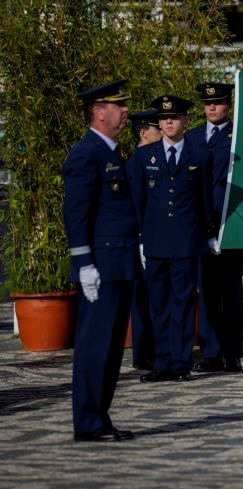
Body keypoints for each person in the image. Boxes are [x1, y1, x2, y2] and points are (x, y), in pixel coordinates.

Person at [64, 79, 138, 442]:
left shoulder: (109, 151)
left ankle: (99, 415)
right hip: (101, 267)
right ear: (99, 112)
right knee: (96, 345)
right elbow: (76, 214)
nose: (125, 111)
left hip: (119, 262)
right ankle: (87, 421)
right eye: (118, 105)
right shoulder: (86, 154)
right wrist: (85, 263)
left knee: (110, 349)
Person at [128, 95, 216, 383]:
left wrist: (210, 233)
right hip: (154, 241)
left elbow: (204, 200)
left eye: (174, 118)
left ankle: (180, 362)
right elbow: (138, 201)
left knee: (183, 302)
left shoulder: (199, 155)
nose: (168, 122)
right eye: (164, 118)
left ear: (184, 121)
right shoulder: (144, 156)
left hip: (187, 240)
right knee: (158, 304)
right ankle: (161, 361)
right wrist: (140, 239)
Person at [188, 82, 243, 373]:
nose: (212, 107)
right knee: (207, 290)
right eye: (207, 103)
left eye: (218, 102)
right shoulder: (193, 136)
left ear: (228, 105)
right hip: (202, 224)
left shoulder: (240, 136)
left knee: (232, 290)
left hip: (230, 223)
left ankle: (233, 353)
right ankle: (211, 352)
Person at [127, 109, 162, 371]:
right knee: (144, 298)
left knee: (155, 296)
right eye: (156, 127)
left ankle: (153, 349)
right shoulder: (138, 160)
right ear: (143, 132)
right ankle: (144, 351)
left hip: (156, 237)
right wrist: (140, 238)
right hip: (143, 238)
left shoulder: (155, 158)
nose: (162, 130)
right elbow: (137, 202)